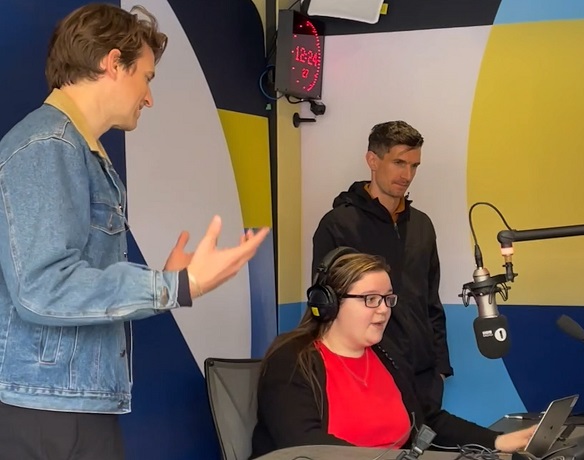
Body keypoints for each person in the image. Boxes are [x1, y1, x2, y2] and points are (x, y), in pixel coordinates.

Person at [0, 4, 269, 459]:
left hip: (71, 403)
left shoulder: (80, 151)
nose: (149, 97)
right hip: (49, 410)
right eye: (145, 77)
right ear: (111, 62)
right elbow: (42, 288)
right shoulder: (48, 147)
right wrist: (175, 285)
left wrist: (170, 284)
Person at [250, 248, 535, 458]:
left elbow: (428, 420)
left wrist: (498, 441)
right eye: (370, 299)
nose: (384, 309)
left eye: (387, 298)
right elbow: (306, 447)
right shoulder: (292, 360)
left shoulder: (386, 355)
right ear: (329, 304)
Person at [312, 120, 450, 408]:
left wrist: (440, 367)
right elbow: (325, 308)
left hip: (423, 376)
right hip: (366, 371)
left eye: (414, 166)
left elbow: (431, 302)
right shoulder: (338, 225)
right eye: (399, 162)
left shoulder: (422, 225)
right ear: (372, 160)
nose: (407, 174)